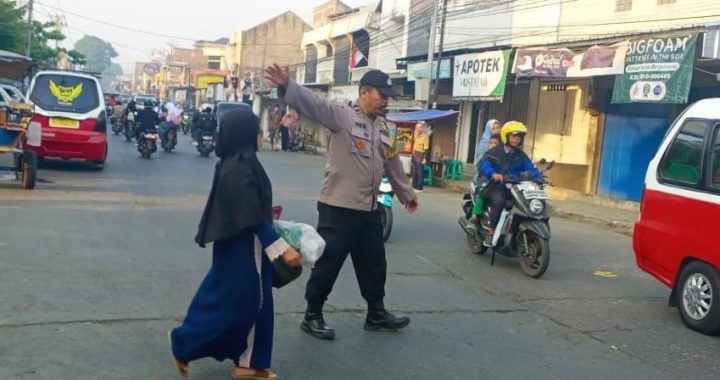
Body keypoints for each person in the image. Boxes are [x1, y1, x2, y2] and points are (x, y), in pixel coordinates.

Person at [265, 64, 419, 341]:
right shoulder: (342, 115)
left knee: (374, 263)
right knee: (328, 263)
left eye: (387, 96)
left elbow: (393, 162)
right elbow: (315, 105)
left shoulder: (383, 127)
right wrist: (288, 86)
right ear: (363, 92)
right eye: (380, 95)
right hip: (339, 207)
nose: (385, 100)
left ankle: (376, 313)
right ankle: (312, 315)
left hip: (370, 210)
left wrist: (406, 193)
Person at [169, 108, 302, 380]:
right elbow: (250, 213)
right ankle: (184, 343)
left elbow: (255, 207)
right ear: (246, 135)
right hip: (245, 245)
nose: (262, 135)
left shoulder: (242, 161)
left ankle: (249, 362)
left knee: (251, 301)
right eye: (258, 131)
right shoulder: (239, 166)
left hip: (243, 243)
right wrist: (279, 247)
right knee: (243, 302)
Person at [479, 121, 543, 247]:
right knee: (500, 201)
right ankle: (491, 232)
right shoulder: (495, 152)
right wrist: (493, 174)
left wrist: (542, 177)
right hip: (497, 186)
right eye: (514, 136)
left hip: (516, 187)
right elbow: (484, 163)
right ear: (506, 136)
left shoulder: (520, 155)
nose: (517, 139)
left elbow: (531, 167)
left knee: (527, 204)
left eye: (519, 137)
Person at [466, 134, 502, 231]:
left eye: (495, 143)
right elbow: (483, 168)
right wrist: (492, 173)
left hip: (499, 183)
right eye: (491, 143)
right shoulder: (486, 156)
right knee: (483, 193)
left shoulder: (504, 157)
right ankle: (475, 216)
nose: (493, 145)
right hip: (485, 181)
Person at [411, 122, 429, 191]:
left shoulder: (425, 136)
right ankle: (414, 186)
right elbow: (414, 144)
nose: (417, 129)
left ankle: (419, 187)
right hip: (415, 154)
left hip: (421, 154)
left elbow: (426, 148)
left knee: (419, 172)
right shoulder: (416, 135)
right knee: (414, 172)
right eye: (416, 128)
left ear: (422, 128)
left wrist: (424, 158)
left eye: (419, 128)